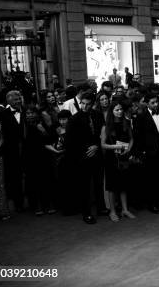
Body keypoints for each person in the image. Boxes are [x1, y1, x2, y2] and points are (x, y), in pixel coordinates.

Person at [65, 92, 107, 224]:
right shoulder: (74, 119)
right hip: (82, 158)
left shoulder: (98, 115)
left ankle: (101, 208)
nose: (84, 107)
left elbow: (103, 135)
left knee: (98, 183)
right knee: (85, 187)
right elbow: (70, 142)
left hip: (97, 154)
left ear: (93, 104)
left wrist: (96, 147)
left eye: (88, 104)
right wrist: (85, 151)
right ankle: (86, 213)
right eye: (82, 103)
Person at [100, 100, 136, 222]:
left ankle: (125, 210)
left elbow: (131, 139)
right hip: (111, 158)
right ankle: (112, 211)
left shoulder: (126, 122)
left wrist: (128, 149)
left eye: (121, 109)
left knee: (123, 185)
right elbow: (103, 145)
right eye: (116, 110)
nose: (119, 112)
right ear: (112, 111)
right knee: (112, 186)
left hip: (124, 157)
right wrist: (116, 147)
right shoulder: (106, 126)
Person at [134, 93, 159, 213]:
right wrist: (141, 151)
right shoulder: (141, 116)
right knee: (150, 179)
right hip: (149, 152)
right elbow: (138, 136)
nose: (156, 104)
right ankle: (152, 204)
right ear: (147, 104)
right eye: (153, 102)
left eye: (157, 102)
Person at [0, 90, 26, 212]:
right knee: (14, 177)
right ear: (9, 101)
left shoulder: (26, 111)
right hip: (11, 151)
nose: (18, 101)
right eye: (15, 100)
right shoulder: (3, 115)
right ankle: (18, 203)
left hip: (26, 149)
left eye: (19, 99)